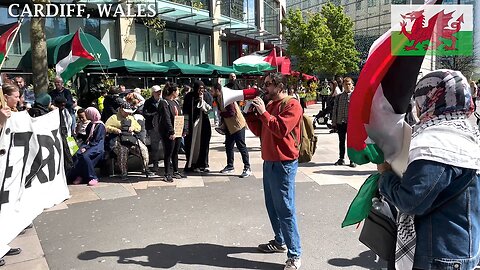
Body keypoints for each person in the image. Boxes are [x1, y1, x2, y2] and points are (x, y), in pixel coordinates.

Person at [377, 69, 480, 270]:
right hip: (461, 245)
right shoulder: (466, 132)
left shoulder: (438, 141)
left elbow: (411, 201)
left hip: (440, 254)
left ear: (428, 98)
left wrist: (385, 176)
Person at [246, 73, 303, 270]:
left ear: (280, 86)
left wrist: (263, 112)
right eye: (265, 84)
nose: (265, 88)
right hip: (269, 162)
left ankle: (295, 255)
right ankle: (280, 242)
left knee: (285, 209)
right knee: (272, 206)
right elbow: (261, 131)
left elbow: (280, 129)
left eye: (269, 85)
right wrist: (249, 114)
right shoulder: (269, 106)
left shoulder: (292, 105)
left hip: (284, 164)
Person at [211, 83, 252, 178]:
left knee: (241, 146)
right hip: (229, 126)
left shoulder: (226, 98)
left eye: (212, 91)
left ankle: (247, 167)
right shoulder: (217, 98)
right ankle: (230, 166)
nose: (211, 92)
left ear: (218, 90)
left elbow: (232, 112)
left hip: (238, 125)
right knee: (229, 146)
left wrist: (221, 114)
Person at [105, 103, 153, 180]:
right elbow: (106, 126)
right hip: (119, 139)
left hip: (131, 138)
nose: (127, 113)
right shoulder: (114, 118)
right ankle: (123, 172)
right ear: (121, 109)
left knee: (143, 149)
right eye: (125, 111)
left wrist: (133, 127)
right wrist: (115, 130)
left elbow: (139, 127)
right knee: (122, 151)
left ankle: (146, 167)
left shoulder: (131, 117)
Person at [70, 107, 106, 186]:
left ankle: (92, 177)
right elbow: (87, 137)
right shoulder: (90, 124)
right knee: (77, 154)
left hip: (97, 146)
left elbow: (97, 140)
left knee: (85, 156)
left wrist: (86, 148)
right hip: (88, 144)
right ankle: (80, 175)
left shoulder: (100, 125)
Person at [182, 80, 212, 173]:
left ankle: (203, 164)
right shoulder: (189, 97)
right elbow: (185, 112)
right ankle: (192, 163)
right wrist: (186, 127)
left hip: (204, 124)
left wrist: (201, 101)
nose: (201, 91)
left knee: (204, 144)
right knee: (191, 145)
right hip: (192, 125)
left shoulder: (207, 96)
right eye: (199, 89)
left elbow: (209, 109)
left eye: (202, 89)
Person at [158, 83, 185, 182]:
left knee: (175, 152)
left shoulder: (176, 102)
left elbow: (180, 116)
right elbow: (166, 118)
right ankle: (167, 173)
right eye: (177, 90)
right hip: (169, 132)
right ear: (173, 91)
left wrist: (183, 129)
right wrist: (171, 131)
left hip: (178, 130)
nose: (178, 92)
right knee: (168, 152)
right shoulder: (164, 102)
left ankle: (176, 171)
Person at [332, 77, 356, 167]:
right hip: (341, 122)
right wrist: (334, 122)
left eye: (349, 84)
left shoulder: (355, 96)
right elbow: (335, 110)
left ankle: (352, 159)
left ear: (352, 85)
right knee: (341, 141)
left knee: (351, 142)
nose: (347, 86)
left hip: (351, 123)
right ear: (343, 85)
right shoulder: (339, 97)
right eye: (345, 84)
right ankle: (341, 158)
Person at [143, 85, 163, 173]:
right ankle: (155, 164)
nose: (159, 93)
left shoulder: (163, 101)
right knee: (155, 147)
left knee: (166, 146)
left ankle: (168, 162)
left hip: (163, 126)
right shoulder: (148, 102)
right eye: (157, 92)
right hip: (152, 127)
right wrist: (154, 114)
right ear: (153, 93)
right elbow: (145, 113)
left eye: (160, 92)